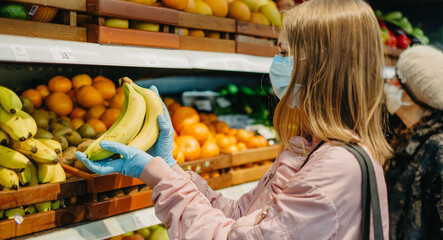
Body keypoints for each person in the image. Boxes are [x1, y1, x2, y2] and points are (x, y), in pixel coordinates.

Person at [76, 0, 391, 239]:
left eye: (284, 53)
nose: (276, 63)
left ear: (323, 67)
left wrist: (158, 176)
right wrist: (171, 168)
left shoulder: (335, 167)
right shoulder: (312, 148)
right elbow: (244, 217)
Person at [384, 45, 443, 240]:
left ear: (413, 94)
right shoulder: (405, 133)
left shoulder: (437, 148)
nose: (389, 84)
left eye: (396, 81)